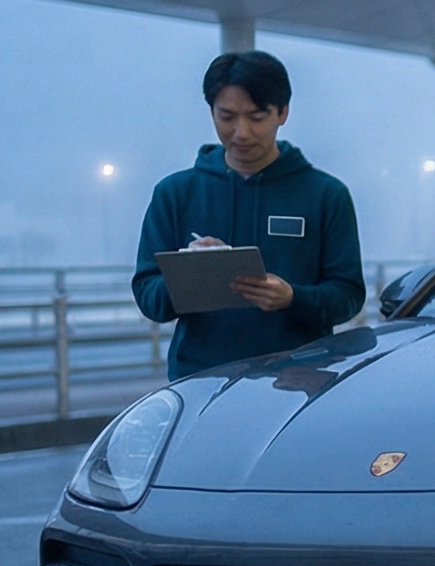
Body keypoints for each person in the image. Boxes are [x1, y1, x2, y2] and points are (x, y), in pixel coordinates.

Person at [133, 50, 366, 379]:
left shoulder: (326, 195)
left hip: (298, 383)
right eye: (227, 117)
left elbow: (349, 296)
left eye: (256, 117)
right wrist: (187, 277)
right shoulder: (175, 193)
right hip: (199, 381)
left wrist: (294, 298)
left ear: (282, 112)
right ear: (211, 112)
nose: (241, 132)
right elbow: (147, 295)